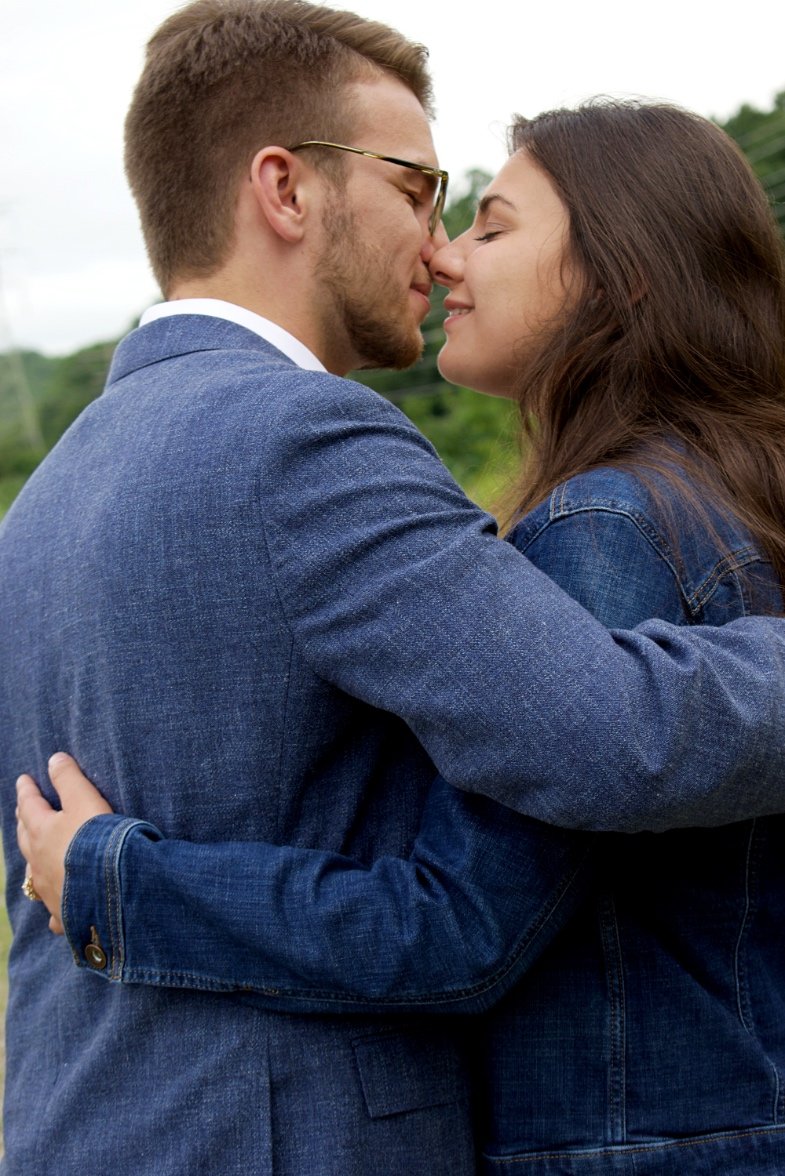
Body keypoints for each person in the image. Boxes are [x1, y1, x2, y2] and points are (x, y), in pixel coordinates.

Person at [4, 0, 785, 1167]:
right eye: (421, 190)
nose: (437, 246)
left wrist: (128, 888)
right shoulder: (308, 440)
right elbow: (604, 733)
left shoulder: (39, 501)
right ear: (285, 191)